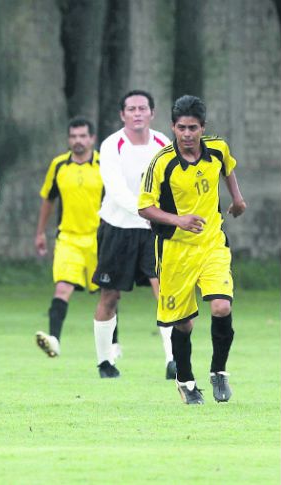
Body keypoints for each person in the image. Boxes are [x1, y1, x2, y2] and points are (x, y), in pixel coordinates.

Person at [138, 94, 246, 404]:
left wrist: (236, 199)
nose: (187, 134)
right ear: (172, 127)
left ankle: (219, 372)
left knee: (221, 307)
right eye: (182, 128)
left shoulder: (217, 149)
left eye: (193, 128)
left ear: (202, 128)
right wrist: (178, 220)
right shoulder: (162, 163)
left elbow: (227, 168)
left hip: (212, 244)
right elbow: (145, 208)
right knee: (183, 324)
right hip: (175, 250)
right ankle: (186, 382)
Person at [89, 90, 173, 379]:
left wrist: (164, 217)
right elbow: (115, 188)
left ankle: (173, 360)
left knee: (164, 291)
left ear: (152, 112)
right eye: (131, 109)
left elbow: (172, 184)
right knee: (110, 296)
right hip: (118, 229)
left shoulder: (164, 144)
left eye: (142, 108)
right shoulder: (113, 145)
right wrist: (146, 212)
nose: (137, 113)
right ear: (122, 114)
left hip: (154, 231)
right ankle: (104, 362)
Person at [34, 116, 102, 359]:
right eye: (73, 136)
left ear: (92, 138)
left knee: (108, 294)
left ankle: (112, 348)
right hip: (68, 239)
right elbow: (48, 199)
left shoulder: (104, 165)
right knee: (62, 288)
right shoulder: (59, 165)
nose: (78, 141)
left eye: (83, 136)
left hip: (99, 239)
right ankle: (54, 340)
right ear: (68, 139)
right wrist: (41, 232)